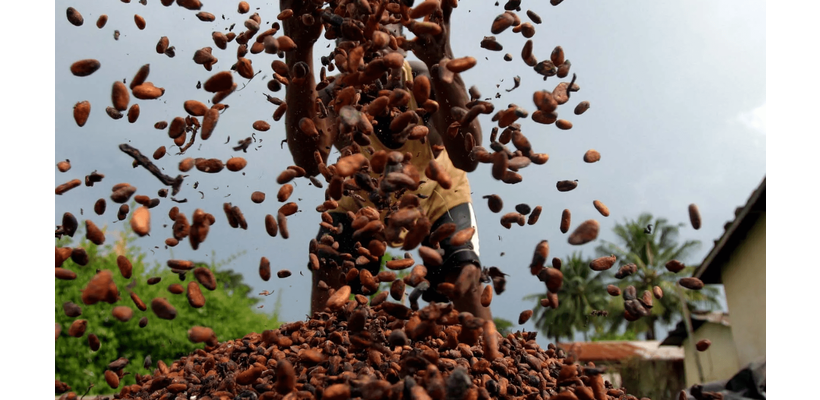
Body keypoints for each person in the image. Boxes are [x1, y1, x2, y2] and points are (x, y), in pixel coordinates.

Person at [280, 0, 492, 321]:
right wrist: (299, 49)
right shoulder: (337, 100)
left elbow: (469, 154)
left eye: (375, 25)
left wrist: (441, 57)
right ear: (337, 41)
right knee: (330, 267)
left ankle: (485, 362)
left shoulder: (422, 82)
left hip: (436, 197)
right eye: (349, 27)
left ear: (398, 33)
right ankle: (332, 364)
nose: (363, 38)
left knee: (462, 277)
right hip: (361, 200)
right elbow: (310, 162)